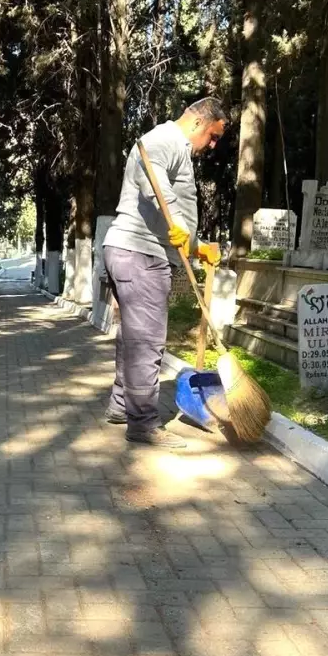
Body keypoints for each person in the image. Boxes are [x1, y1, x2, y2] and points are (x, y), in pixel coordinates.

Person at [102, 97, 226, 450]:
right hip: (140, 254)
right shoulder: (164, 139)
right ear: (200, 123)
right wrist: (177, 226)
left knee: (132, 337)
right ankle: (142, 423)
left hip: (133, 249)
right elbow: (151, 175)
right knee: (146, 341)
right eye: (214, 136)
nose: (213, 145)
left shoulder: (178, 148)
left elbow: (171, 207)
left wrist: (194, 244)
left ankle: (121, 406)